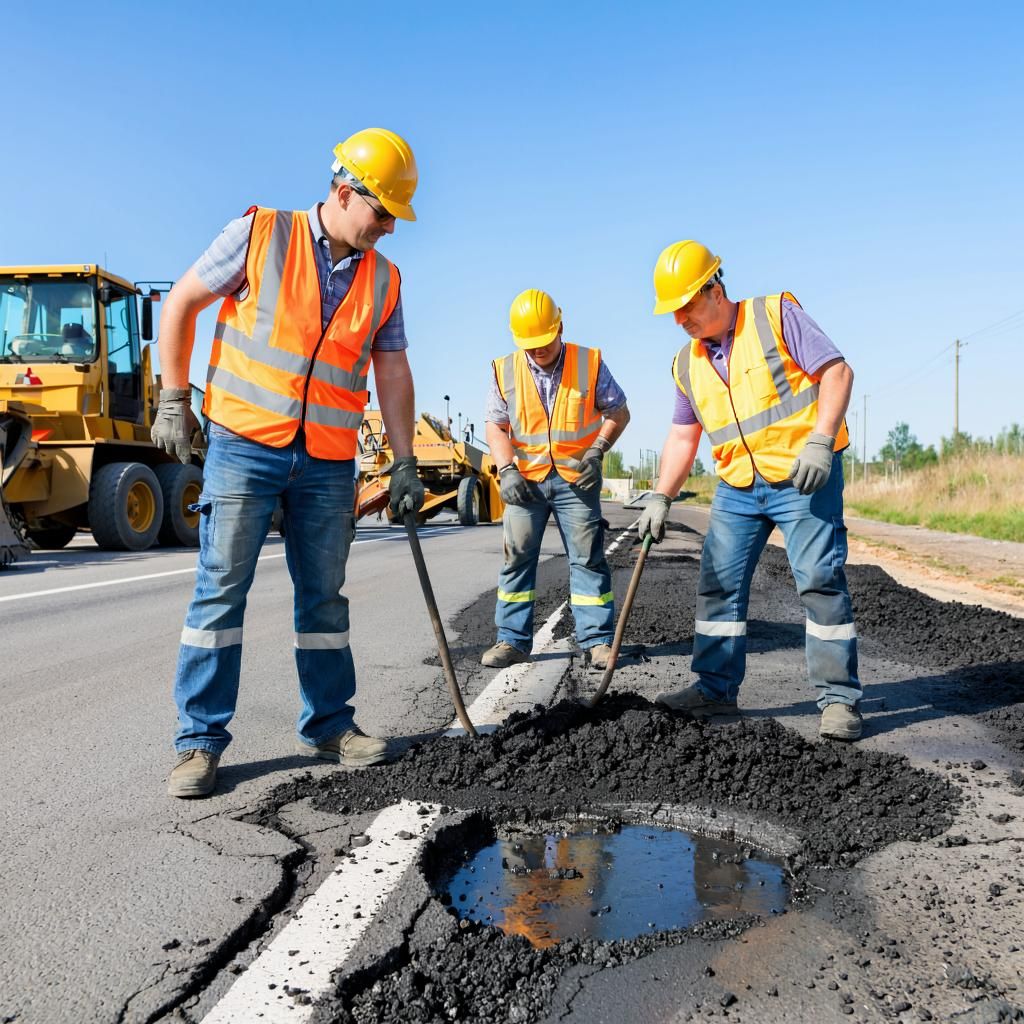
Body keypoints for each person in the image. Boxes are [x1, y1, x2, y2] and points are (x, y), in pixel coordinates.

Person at [153, 128, 426, 798]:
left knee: (325, 598)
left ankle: (330, 725)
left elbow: (391, 372)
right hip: (246, 446)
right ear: (343, 193)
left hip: (329, 461)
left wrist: (406, 460)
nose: (389, 227)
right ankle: (198, 742)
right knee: (220, 592)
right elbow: (181, 302)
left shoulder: (385, 279)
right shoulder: (260, 234)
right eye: (382, 212)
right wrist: (171, 395)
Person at [639, 240, 862, 740]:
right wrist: (662, 496)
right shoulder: (686, 362)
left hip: (802, 477)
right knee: (718, 584)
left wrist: (822, 441)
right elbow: (682, 435)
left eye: (686, 307)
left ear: (714, 290)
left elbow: (836, 372)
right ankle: (714, 691)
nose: (680, 321)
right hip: (738, 485)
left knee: (818, 581)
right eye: (672, 313)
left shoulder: (775, 316)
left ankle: (839, 699)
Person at [481, 288, 630, 671]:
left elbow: (619, 411)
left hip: (576, 480)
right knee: (516, 560)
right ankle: (511, 641)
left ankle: (597, 642)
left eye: (544, 342)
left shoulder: (589, 362)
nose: (537, 351)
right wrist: (507, 468)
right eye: (529, 345)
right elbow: (496, 426)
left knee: (587, 560)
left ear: (559, 327)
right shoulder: (504, 369)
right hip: (524, 481)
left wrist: (597, 449)